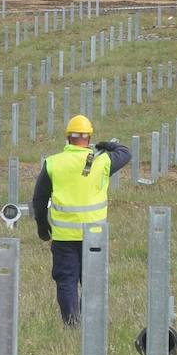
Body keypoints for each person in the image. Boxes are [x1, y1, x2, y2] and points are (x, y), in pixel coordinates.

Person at [31, 115, 130, 326]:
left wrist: (42, 227)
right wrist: (106, 145)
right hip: (94, 235)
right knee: (92, 281)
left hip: (64, 237)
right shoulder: (101, 162)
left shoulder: (53, 163)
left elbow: (39, 200)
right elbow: (125, 152)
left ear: (67, 138)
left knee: (66, 280)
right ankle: (91, 324)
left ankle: (72, 323)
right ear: (89, 137)